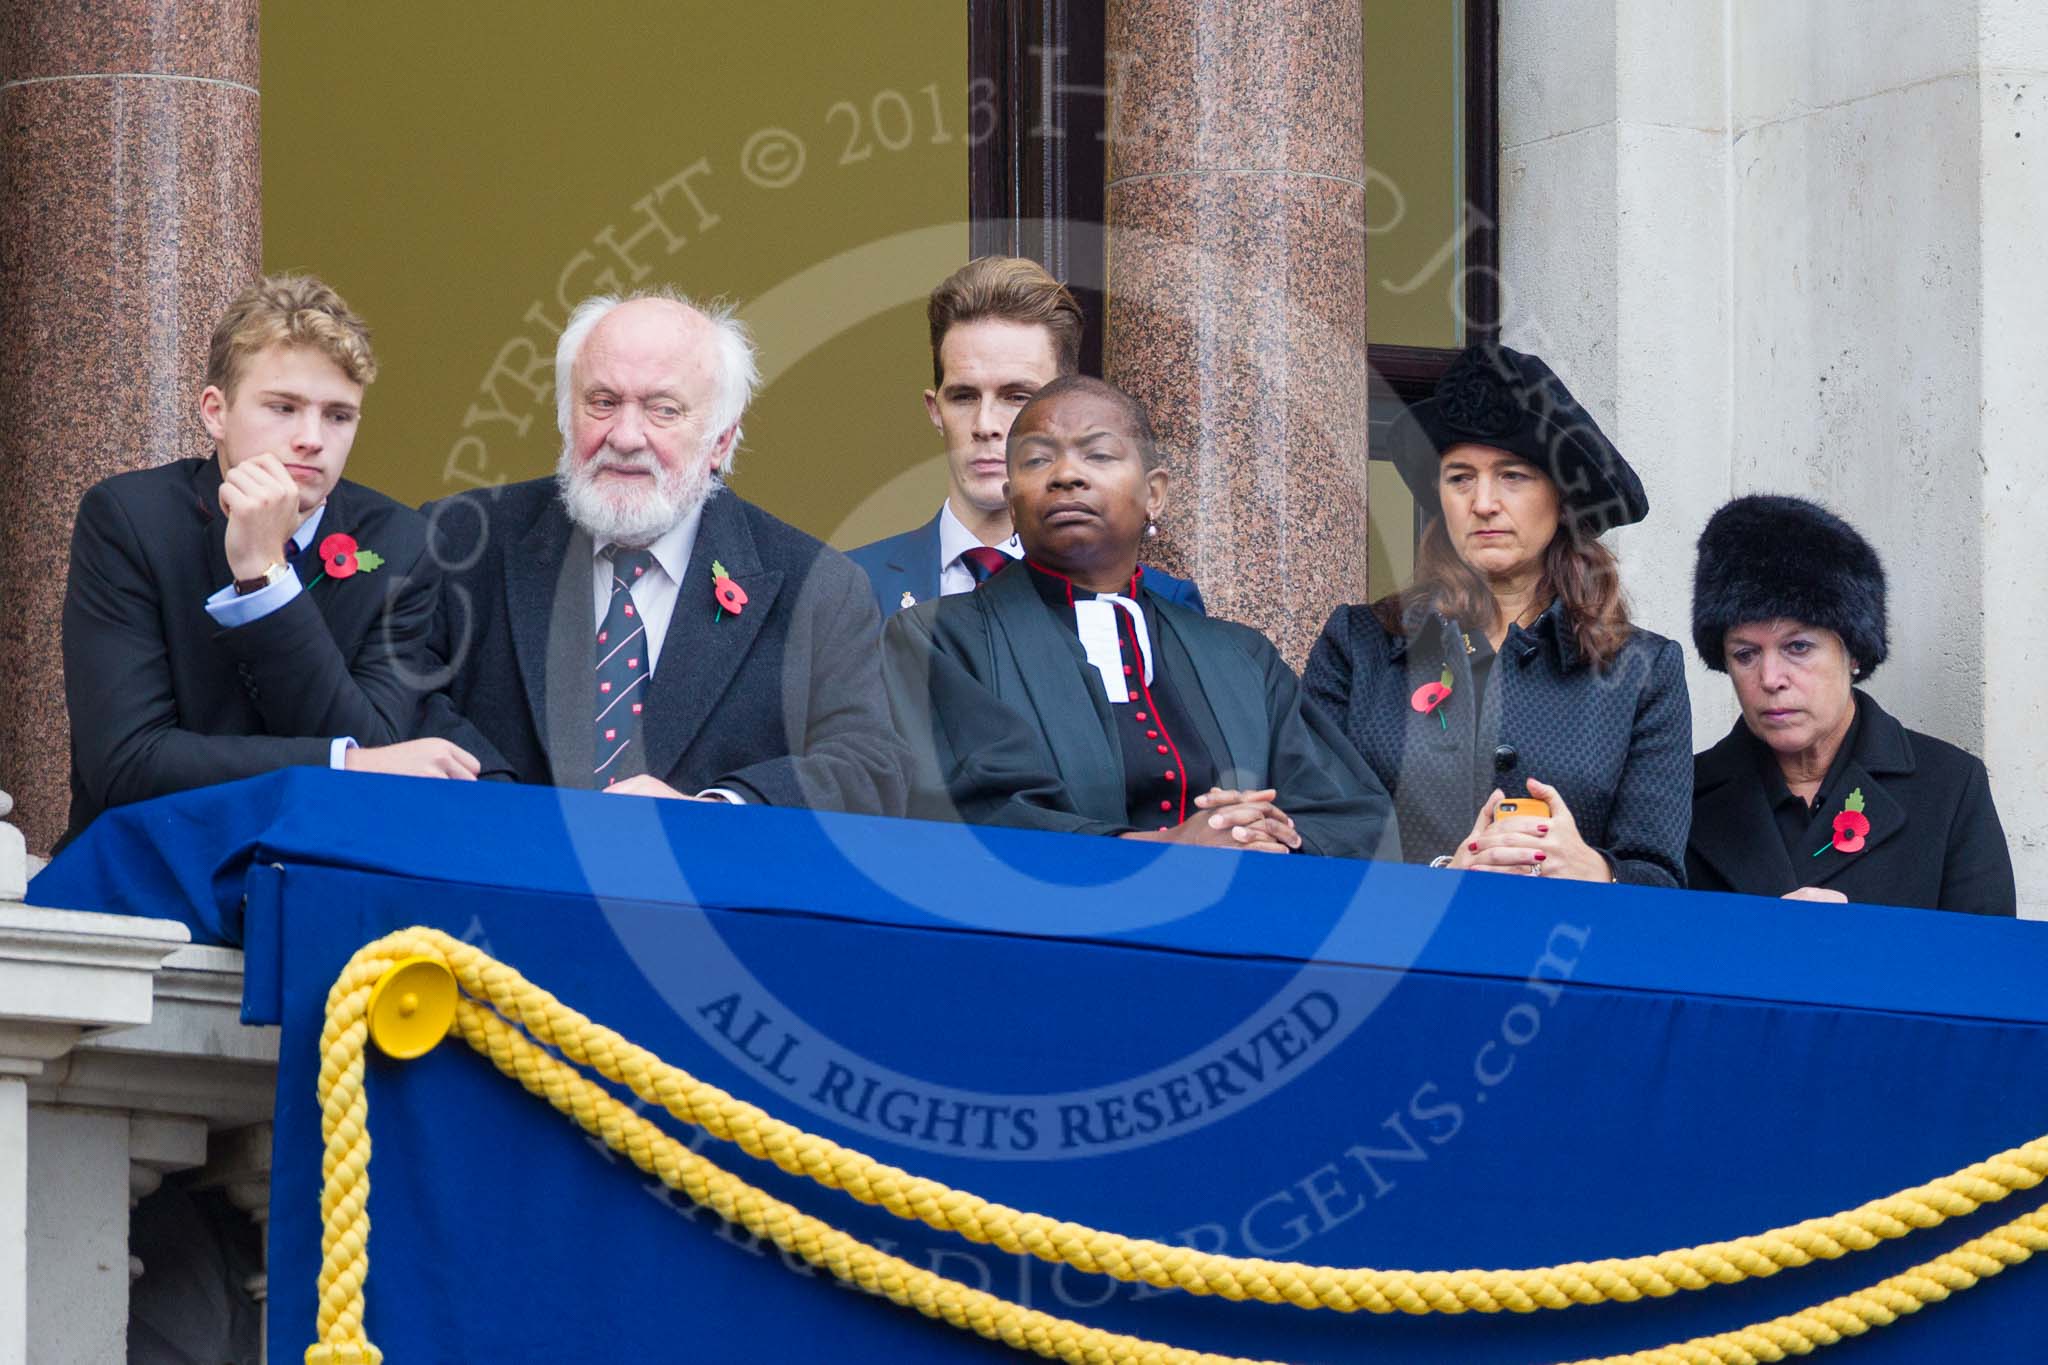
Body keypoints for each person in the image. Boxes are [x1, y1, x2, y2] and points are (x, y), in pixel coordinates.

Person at [426, 288, 909, 813]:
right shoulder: (459, 540)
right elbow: (396, 693)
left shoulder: (818, 586)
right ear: (567, 417)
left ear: (721, 441)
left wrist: (713, 813)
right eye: (603, 403)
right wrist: (493, 797)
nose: (626, 436)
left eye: (663, 410)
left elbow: (867, 765)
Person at [883, 375, 1396, 857]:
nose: (1065, 475)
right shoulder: (940, 639)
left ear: (1154, 493)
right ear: (1012, 501)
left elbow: (1353, 818)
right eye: (1037, 461)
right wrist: (1165, 849)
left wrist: (1262, 835)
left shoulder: (1242, 657)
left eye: (1099, 454)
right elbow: (973, 812)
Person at [60, 274, 481, 849]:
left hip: (321, 878)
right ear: (215, 411)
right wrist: (346, 765)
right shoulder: (131, 518)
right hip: (149, 881)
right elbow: (129, 763)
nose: (311, 438)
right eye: (283, 408)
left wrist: (265, 579)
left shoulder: (402, 543)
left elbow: (372, 736)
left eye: (338, 415)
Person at [1303, 342, 1691, 884]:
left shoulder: (1645, 671)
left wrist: (1596, 872)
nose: (1483, 502)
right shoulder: (1358, 644)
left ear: (1561, 499)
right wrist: (1440, 876)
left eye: (1513, 475)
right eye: (1460, 477)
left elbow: (1661, 878)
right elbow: (1313, 835)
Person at [1687, 495, 2015, 914]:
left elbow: (1985, 968)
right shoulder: (1686, 795)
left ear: (1853, 652)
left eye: (1798, 647)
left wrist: (1860, 948)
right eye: (1745, 654)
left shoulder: (1948, 788)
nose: (1769, 679)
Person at [847, 256, 1203, 619]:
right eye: (964, 396)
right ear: (935, 410)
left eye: (1017, 396)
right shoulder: (849, 588)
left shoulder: (1159, 602)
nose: (985, 424)